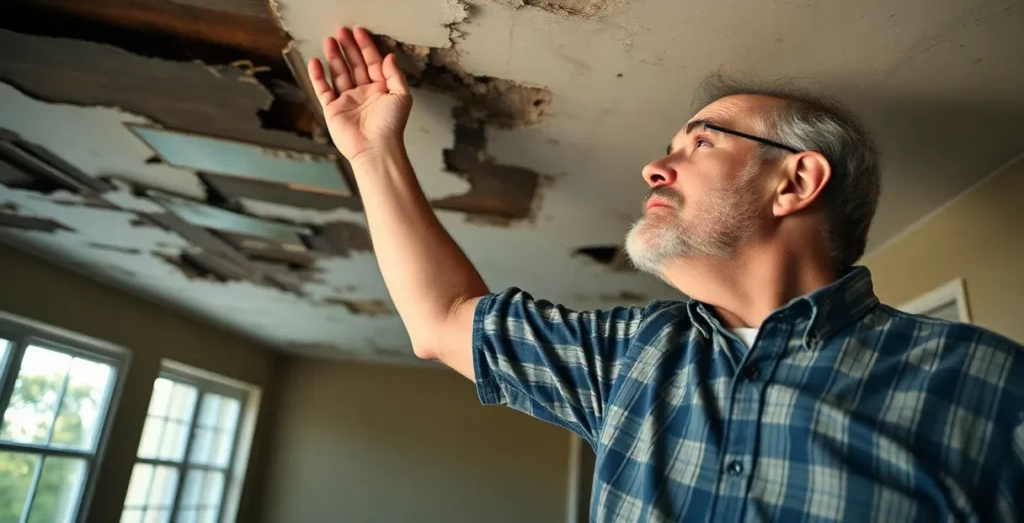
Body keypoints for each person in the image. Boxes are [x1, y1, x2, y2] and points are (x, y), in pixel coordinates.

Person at [308, 26, 1024, 522]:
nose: (657, 165)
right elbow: (442, 319)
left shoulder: (988, 386)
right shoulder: (631, 359)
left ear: (796, 180)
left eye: (703, 141)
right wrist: (374, 153)